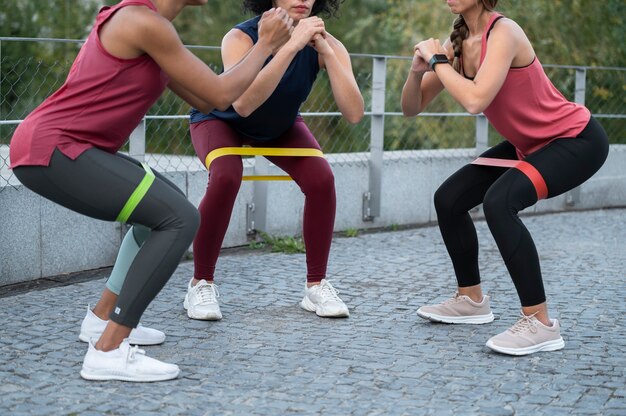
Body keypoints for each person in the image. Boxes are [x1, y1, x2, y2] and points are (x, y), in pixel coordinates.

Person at [10, 0, 292, 382]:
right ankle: (108, 351)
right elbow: (223, 95)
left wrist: (271, 49)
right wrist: (264, 43)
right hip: (56, 148)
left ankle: (101, 320)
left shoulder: (153, 28)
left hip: (63, 147)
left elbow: (210, 99)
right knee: (178, 218)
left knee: (163, 204)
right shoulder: (142, 22)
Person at [401, 0, 608, 355]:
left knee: (500, 202)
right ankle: (471, 299)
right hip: (526, 144)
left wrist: (438, 61)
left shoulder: (505, 32)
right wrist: (418, 70)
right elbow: (411, 108)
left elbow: (475, 100)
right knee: (449, 200)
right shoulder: (456, 46)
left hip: (575, 140)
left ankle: (540, 323)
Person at [184, 0, 364, 320]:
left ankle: (316, 284)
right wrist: (292, 45)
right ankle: (201, 283)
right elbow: (243, 104)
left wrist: (328, 52)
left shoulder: (327, 43)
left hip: (278, 126)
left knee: (321, 179)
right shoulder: (241, 38)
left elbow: (353, 113)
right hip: (220, 121)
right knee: (226, 176)